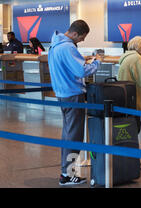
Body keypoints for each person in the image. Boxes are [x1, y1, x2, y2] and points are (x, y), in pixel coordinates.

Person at [48, 20, 102, 186]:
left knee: (67, 133)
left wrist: (81, 59)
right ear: (75, 34)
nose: (82, 41)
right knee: (74, 135)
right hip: (73, 95)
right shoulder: (68, 47)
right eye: (82, 38)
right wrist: (97, 61)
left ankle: (66, 171)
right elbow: (81, 71)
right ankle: (68, 174)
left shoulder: (55, 45)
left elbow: (68, 66)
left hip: (62, 94)